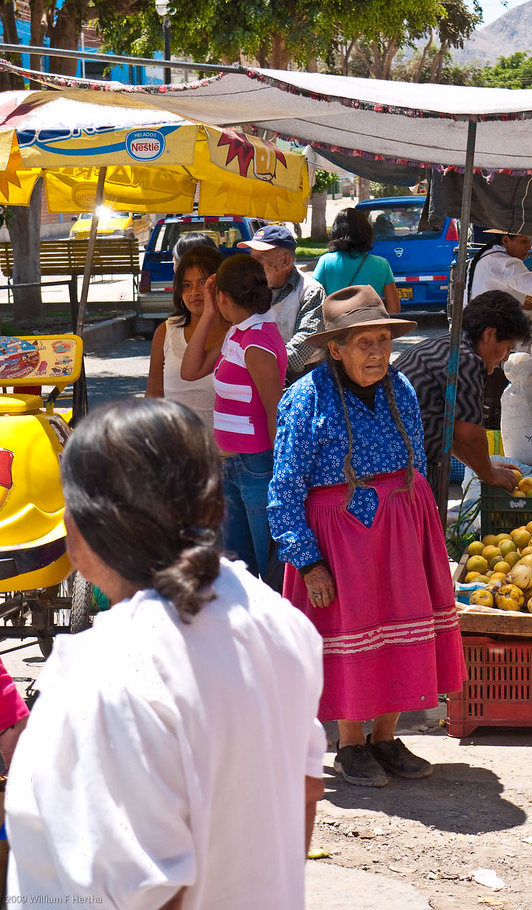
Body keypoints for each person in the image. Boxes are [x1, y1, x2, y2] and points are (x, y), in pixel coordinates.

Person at [4, 398, 325, 908]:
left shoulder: (106, 673)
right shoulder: (282, 623)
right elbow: (306, 790)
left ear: (79, 526)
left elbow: (147, 891)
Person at [268, 286, 465, 788]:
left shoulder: (399, 389)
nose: (377, 352)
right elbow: (285, 487)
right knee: (349, 638)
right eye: (363, 343)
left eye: (382, 340)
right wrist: (308, 562)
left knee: (402, 630)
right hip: (339, 541)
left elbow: (418, 463)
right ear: (335, 347)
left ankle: (384, 736)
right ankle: (351, 743)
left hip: (399, 533)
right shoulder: (303, 398)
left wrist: (422, 538)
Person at [181, 254, 286, 585]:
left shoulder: (256, 341)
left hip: (256, 467)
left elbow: (275, 411)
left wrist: (281, 475)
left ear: (223, 295)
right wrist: (211, 313)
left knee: (268, 573)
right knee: (237, 572)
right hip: (230, 467)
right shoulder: (238, 334)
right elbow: (190, 370)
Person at [395, 290, 532, 499]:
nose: (505, 358)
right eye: (507, 348)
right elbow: (469, 435)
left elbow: (454, 432)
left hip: (402, 465)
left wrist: (483, 466)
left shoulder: (450, 344)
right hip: (404, 473)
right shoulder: (465, 360)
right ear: (489, 334)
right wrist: (490, 474)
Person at [145, 245, 229, 433]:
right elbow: (153, 395)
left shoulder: (237, 332)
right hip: (177, 451)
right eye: (186, 285)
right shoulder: (165, 331)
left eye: (203, 282)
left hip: (233, 456)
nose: (195, 292)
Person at [238, 224, 325, 385]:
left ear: (285, 261)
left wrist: (255, 362)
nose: (251, 265)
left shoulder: (311, 291)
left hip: (302, 380)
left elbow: (302, 348)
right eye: (251, 257)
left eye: (259, 259)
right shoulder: (249, 288)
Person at [313, 207, 400, 313]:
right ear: (367, 232)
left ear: (335, 231)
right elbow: (394, 309)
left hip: (338, 327)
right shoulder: (382, 264)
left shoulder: (325, 262)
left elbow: (314, 302)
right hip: (370, 327)